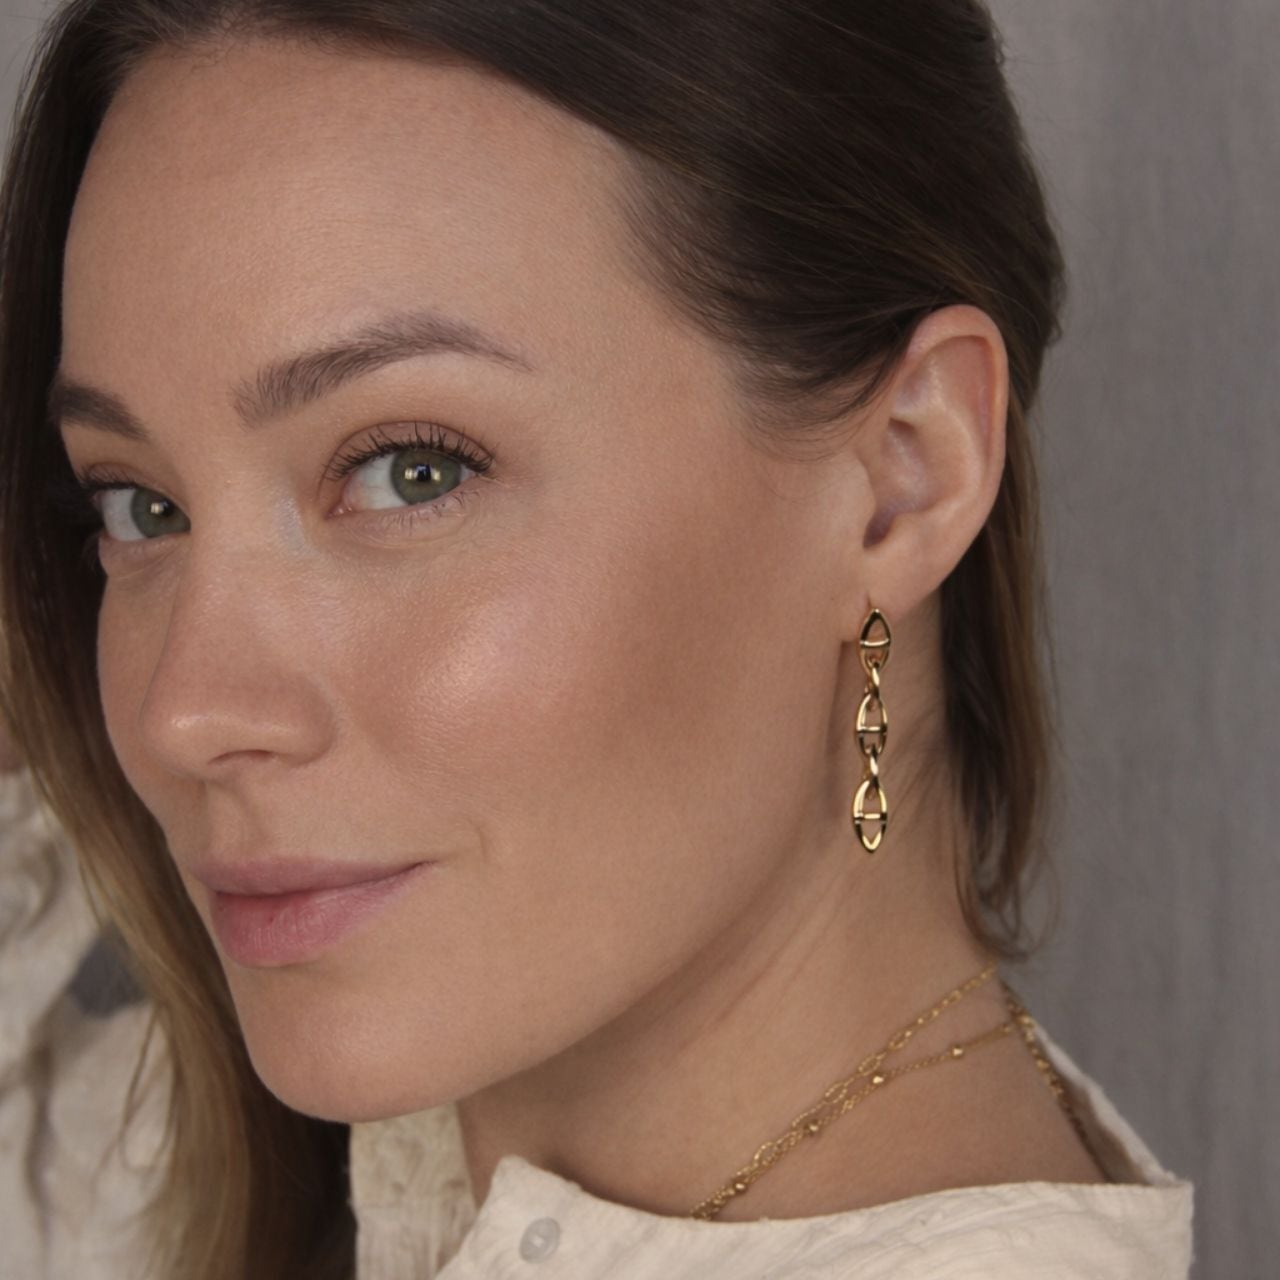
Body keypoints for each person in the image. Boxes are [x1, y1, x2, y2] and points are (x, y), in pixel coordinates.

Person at [0, 1, 1195, 1276]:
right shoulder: (198, 1163)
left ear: (902, 475)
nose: (183, 711)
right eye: (138, 506)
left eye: (411, 470)